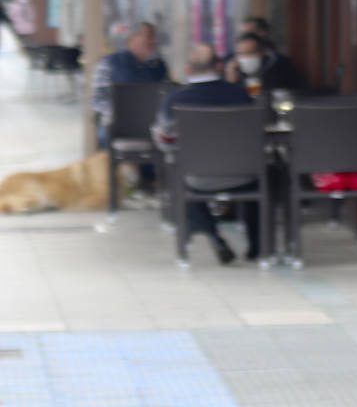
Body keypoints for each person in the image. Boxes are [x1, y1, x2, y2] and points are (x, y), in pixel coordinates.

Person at [151, 43, 260, 264]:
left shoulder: (173, 100)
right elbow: (256, 135)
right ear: (219, 66)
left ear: (188, 69)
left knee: (178, 175)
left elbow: (165, 140)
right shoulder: (241, 95)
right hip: (244, 174)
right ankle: (257, 247)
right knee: (267, 174)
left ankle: (213, 235)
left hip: (197, 177)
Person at [91, 21, 171, 146]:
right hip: (118, 126)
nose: (153, 41)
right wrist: (121, 115)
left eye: (154, 37)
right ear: (133, 38)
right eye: (149, 36)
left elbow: (167, 94)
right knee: (104, 133)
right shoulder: (109, 63)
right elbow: (98, 99)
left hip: (151, 125)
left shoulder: (158, 66)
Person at [226, 31, 303, 95]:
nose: (245, 57)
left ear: (262, 52)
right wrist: (231, 82)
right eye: (241, 53)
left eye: (250, 53)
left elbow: (292, 92)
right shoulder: (231, 69)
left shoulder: (281, 67)